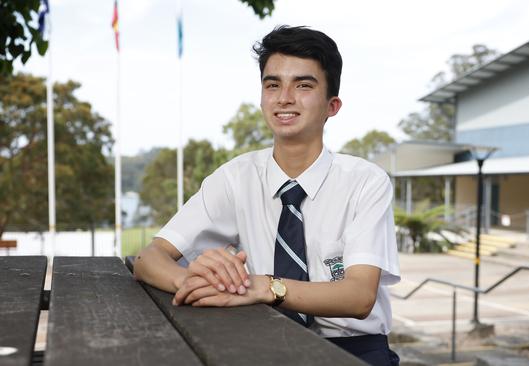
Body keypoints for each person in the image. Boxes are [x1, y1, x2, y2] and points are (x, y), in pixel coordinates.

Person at [134, 25, 400, 366]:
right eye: (272, 84)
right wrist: (198, 283)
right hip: (260, 336)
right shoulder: (235, 177)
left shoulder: (365, 182)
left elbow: (359, 296)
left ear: (332, 105)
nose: (284, 98)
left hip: (353, 347)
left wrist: (265, 287)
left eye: (303, 85)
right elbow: (148, 259)